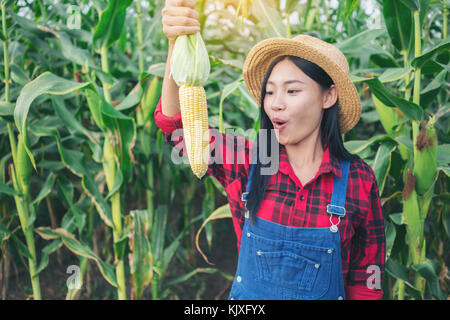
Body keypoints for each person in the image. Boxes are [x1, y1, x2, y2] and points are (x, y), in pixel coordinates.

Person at [157, 0, 385, 300]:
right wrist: (177, 45)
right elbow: (179, 131)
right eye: (270, 91)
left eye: (292, 91)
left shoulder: (358, 179)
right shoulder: (248, 162)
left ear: (328, 97)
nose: (276, 103)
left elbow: (368, 278)